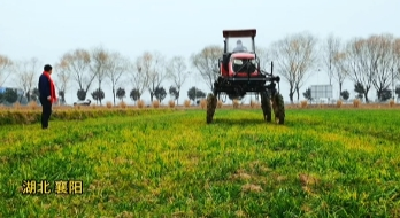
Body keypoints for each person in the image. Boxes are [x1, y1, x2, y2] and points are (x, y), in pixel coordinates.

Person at [38, 64, 56, 129]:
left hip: (47, 97)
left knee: (48, 111)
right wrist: (48, 96)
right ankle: (44, 126)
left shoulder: (47, 77)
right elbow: (44, 88)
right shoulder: (43, 77)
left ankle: (44, 125)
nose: (52, 72)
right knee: (46, 112)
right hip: (45, 97)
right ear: (49, 70)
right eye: (51, 70)